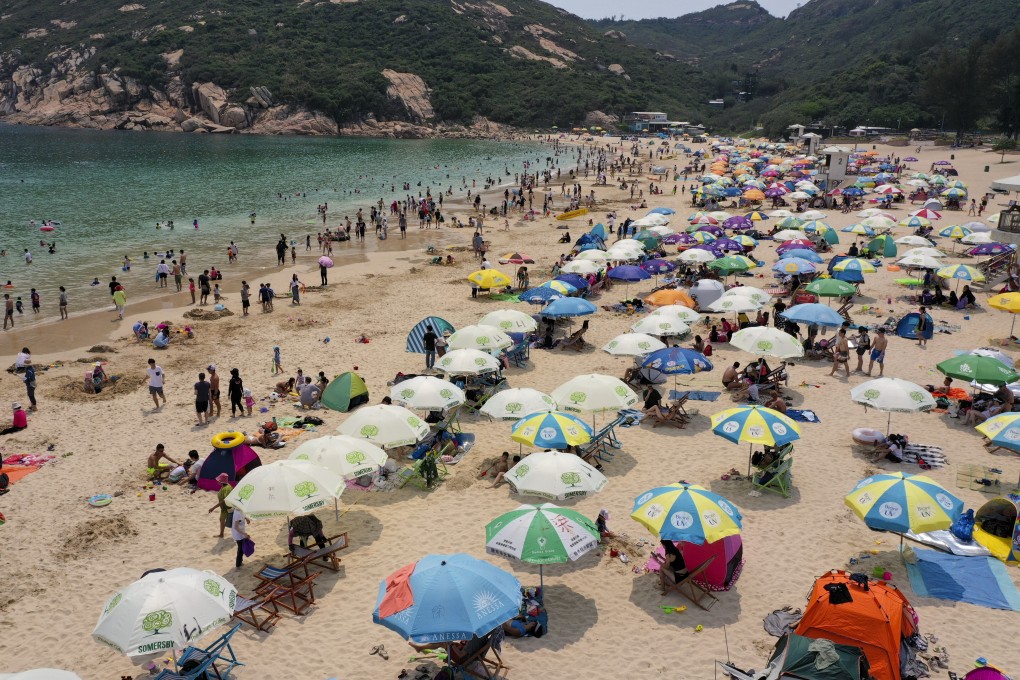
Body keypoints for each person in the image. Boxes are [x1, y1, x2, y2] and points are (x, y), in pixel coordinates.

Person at [209, 473, 233, 538]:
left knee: (232, 521)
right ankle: (221, 534)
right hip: (224, 508)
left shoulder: (226, 489)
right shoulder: (225, 486)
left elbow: (224, 500)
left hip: (228, 508)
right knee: (222, 520)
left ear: (221, 481)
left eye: (218, 480)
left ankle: (221, 534)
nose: (217, 481)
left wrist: (213, 508)